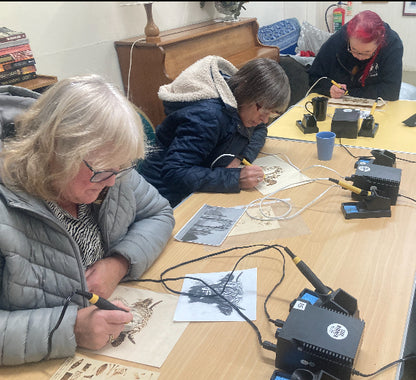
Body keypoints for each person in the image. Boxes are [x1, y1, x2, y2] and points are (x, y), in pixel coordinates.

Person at [0, 74, 175, 365]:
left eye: (119, 169)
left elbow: (159, 212)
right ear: (56, 151)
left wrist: (118, 264)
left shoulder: (110, 171)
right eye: (104, 171)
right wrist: (70, 329)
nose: (111, 183)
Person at [139, 55, 290, 207]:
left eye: (270, 114)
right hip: (164, 198)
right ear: (246, 89)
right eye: (263, 111)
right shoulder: (208, 116)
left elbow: (260, 129)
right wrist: (235, 178)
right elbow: (174, 173)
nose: (264, 119)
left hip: (195, 185)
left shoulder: (242, 103)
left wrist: (241, 156)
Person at [308, 10, 403, 101]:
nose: (359, 57)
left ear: (380, 44)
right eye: (353, 49)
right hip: (338, 102)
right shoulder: (337, 41)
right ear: (348, 39)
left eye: (367, 52)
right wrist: (329, 88)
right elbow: (314, 78)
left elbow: (391, 92)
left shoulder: (393, 45)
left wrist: (348, 92)